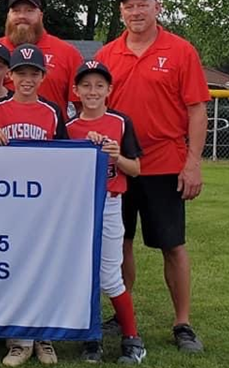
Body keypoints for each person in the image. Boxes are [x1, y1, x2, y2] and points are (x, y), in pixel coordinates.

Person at [95, 0, 209, 353]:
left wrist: (193, 163)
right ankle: (121, 315)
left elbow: (196, 108)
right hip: (120, 165)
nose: (136, 11)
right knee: (120, 242)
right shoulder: (108, 55)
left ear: (157, 7)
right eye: (128, 5)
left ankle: (183, 323)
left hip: (164, 163)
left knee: (171, 244)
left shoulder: (180, 51)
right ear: (121, 12)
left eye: (143, 3)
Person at [0, 44, 66, 367]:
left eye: (34, 73)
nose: (27, 79)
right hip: (7, 201)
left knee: (42, 267)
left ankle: (44, 336)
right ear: (10, 76)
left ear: (43, 77)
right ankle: (19, 341)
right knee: (13, 267)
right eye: (21, 73)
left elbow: (65, 158)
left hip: (41, 202)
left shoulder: (52, 111)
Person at [67, 60, 147, 364]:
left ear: (109, 90)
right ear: (75, 90)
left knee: (110, 276)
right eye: (86, 85)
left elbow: (136, 169)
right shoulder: (69, 126)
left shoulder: (121, 122)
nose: (92, 91)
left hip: (111, 203)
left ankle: (132, 338)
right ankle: (91, 337)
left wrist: (117, 155)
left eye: (99, 85)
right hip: (77, 207)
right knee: (80, 273)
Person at [0, 0, 83, 117]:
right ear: (8, 15)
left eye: (29, 11)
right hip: (2, 134)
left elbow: (82, 107)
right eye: (16, 11)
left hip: (51, 134)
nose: (22, 16)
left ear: (41, 15)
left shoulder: (67, 53)